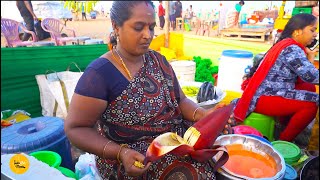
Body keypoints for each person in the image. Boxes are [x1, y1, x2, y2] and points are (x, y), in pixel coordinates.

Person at [65, 1, 233, 179]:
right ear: (116, 26)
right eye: (138, 28)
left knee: (223, 147)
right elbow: (75, 129)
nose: (148, 35)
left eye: (152, 27)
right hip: (132, 156)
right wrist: (120, 153)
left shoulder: (158, 61)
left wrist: (204, 115)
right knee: (194, 174)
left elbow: (181, 101)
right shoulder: (100, 74)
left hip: (174, 139)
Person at [233, 13, 319, 142]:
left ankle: (283, 125)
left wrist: (310, 56)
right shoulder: (291, 49)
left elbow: (307, 75)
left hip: (267, 91)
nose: (315, 34)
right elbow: (311, 75)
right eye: (312, 30)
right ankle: (284, 141)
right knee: (312, 102)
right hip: (264, 97)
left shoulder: (287, 44)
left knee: (309, 88)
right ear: (297, 31)